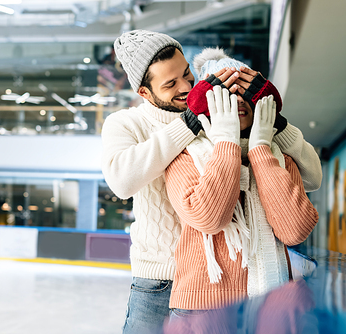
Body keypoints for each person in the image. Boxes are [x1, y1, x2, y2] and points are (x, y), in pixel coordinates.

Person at [101, 30, 322, 334]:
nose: (186, 86)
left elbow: (312, 176)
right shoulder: (128, 123)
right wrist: (190, 122)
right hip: (159, 279)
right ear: (144, 92)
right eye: (170, 84)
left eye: (187, 74)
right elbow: (122, 182)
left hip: (219, 281)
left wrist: (271, 120)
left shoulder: (218, 120)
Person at [163, 49, 319, 329]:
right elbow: (209, 219)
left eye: (245, 91)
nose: (237, 99)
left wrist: (260, 149)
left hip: (272, 305)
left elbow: (294, 230)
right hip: (201, 309)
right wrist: (226, 143)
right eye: (225, 93)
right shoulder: (185, 155)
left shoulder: (280, 158)